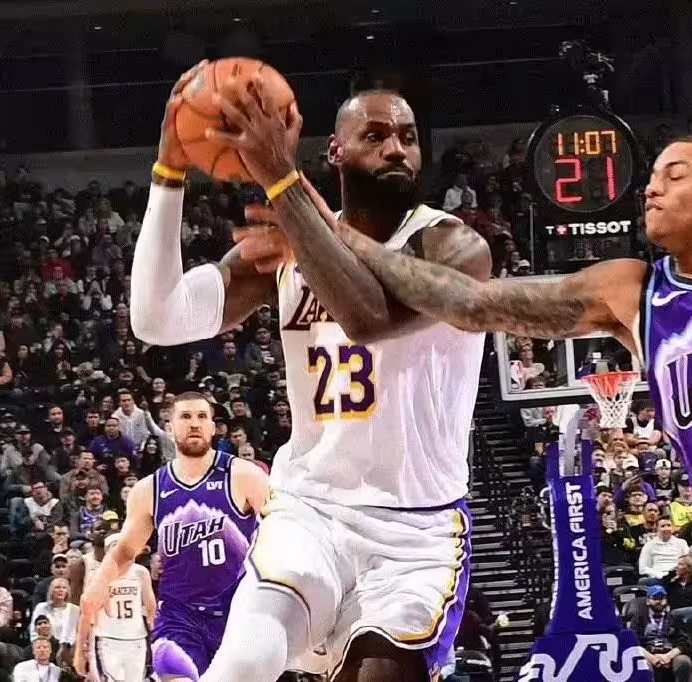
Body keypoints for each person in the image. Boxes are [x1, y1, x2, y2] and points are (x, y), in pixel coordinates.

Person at [332, 133, 692, 677]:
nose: (651, 189)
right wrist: (342, 235)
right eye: (652, 177)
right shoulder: (634, 291)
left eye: (676, 174)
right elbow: (468, 302)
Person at [108, 65, 486, 682]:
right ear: (335, 151)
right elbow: (157, 318)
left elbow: (366, 315)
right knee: (239, 666)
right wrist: (168, 171)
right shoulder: (289, 243)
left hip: (414, 531)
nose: (396, 148)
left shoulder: (453, 246)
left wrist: (282, 181)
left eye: (408, 136)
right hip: (310, 512)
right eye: (376, 136)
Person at [78, 392, 268, 680]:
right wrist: (98, 586)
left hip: (239, 612)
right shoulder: (149, 489)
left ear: (213, 427)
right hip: (179, 617)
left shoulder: (243, 475)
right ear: (169, 426)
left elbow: (283, 531)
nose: (194, 423)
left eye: (202, 417)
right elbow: (125, 552)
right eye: (186, 416)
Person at [73, 533, 155, 682]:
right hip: (107, 639)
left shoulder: (140, 572)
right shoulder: (96, 576)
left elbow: (151, 608)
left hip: (136, 639)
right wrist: (80, 649)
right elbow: (86, 614)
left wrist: (153, 631)